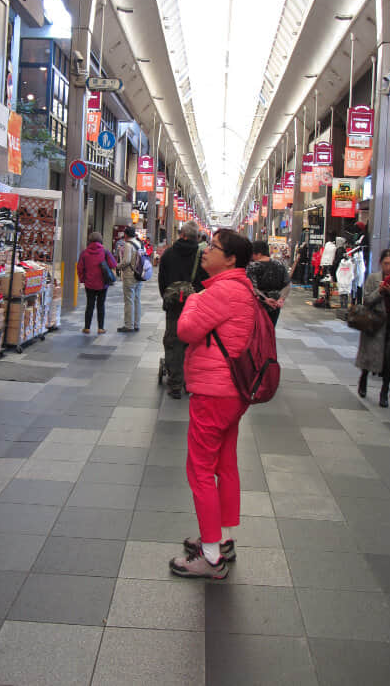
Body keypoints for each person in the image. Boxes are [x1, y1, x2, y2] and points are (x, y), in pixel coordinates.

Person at [169, 229, 255, 579]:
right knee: (225, 465)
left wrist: (191, 300)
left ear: (231, 259)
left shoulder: (221, 292)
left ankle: (210, 556)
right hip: (233, 390)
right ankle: (223, 539)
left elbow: (186, 331)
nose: (206, 252)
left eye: (214, 248)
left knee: (200, 471)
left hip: (214, 391)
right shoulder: (242, 289)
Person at [158, 220, 208, 398]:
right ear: (197, 237)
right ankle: (189, 381)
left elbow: (162, 281)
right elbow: (206, 282)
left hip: (174, 305)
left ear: (182, 234)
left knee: (173, 341)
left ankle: (175, 384)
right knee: (192, 342)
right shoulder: (202, 256)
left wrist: (167, 297)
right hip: (196, 306)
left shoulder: (168, 254)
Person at [356, 248, 390, 408]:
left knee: (389, 360)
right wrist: (379, 291)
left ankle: (384, 391)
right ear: (381, 263)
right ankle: (363, 378)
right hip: (374, 323)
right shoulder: (373, 279)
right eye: (386, 263)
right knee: (369, 355)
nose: (388, 267)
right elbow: (366, 300)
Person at [76, 232, 117, 335]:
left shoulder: (84, 253)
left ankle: (87, 328)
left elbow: (80, 268)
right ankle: (100, 328)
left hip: (89, 284)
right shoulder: (105, 252)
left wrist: (83, 279)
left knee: (89, 305)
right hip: (102, 284)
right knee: (101, 305)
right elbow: (113, 264)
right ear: (100, 240)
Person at [246, 239, 291, 326]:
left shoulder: (253, 266)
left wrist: (264, 299)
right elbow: (287, 284)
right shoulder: (279, 264)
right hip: (275, 305)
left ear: (258, 254)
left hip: (258, 305)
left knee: (257, 332)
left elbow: (252, 287)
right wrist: (281, 299)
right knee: (270, 330)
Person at [117, 225, 143, 332]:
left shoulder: (128, 244)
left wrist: (118, 266)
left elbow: (126, 261)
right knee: (137, 299)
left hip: (130, 275)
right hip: (139, 274)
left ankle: (129, 325)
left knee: (129, 300)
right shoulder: (139, 243)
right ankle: (136, 324)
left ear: (126, 235)